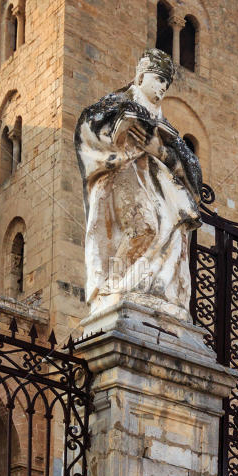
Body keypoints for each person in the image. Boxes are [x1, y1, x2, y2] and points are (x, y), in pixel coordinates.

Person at [74, 49, 202, 319]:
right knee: (143, 226)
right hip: (124, 172)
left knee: (169, 233)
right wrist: (122, 132)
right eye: (157, 81)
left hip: (160, 189)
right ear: (141, 76)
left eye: (165, 85)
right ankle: (116, 285)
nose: (161, 89)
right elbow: (88, 127)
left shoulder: (168, 126)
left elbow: (192, 170)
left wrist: (160, 149)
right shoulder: (116, 103)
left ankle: (153, 292)